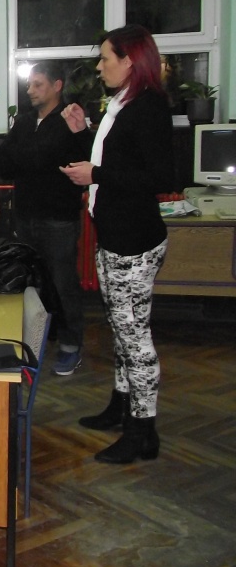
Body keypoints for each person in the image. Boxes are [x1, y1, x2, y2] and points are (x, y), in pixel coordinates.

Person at [61, 24, 174, 465]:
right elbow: (116, 156)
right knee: (121, 329)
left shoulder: (149, 106)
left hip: (134, 242)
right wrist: (83, 131)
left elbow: (159, 176)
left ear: (130, 61)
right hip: (115, 236)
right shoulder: (123, 102)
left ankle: (143, 432)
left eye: (106, 58)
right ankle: (121, 405)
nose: (100, 66)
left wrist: (97, 175)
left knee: (135, 337)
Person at [0, 64, 93, 376]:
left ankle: (71, 345)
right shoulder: (24, 122)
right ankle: (35, 341)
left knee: (64, 283)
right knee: (32, 283)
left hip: (59, 219)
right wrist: (36, 158)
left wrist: (30, 158)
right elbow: (2, 164)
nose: (30, 90)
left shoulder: (70, 119)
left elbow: (83, 161)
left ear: (57, 86)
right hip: (25, 216)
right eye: (29, 85)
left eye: (38, 84)